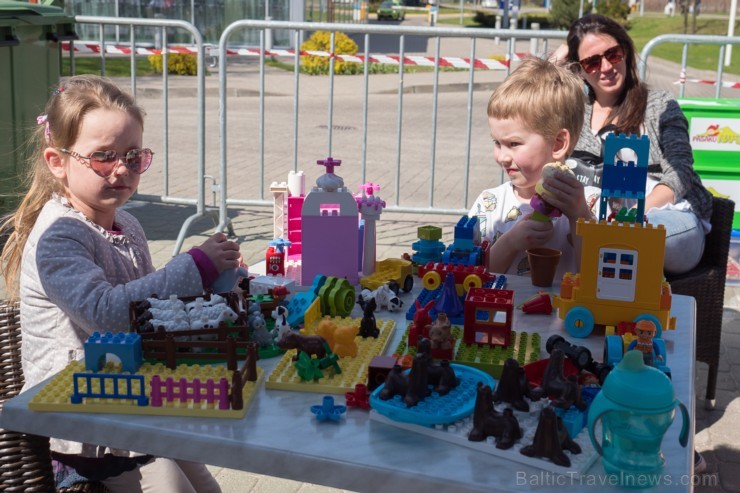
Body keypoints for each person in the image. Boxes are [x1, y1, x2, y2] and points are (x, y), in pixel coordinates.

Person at [0, 75, 236, 492]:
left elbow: (153, 308)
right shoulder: (60, 236)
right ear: (58, 162)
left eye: (133, 155)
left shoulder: (126, 224)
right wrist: (195, 264)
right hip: (82, 422)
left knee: (206, 485)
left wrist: (215, 291)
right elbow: (111, 315)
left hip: (130, 401)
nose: (122, 169)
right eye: (103, 157)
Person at [554, 14, 713, 276]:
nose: (605, 66)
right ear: (580, 70)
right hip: (596, 218)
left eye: (612, 54)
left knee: (638, 238)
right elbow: (528, 100)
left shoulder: (659, 105)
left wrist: (631, 217)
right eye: (592, 62)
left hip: (666, 212)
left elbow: (680, 172)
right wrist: (560, 58)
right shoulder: (574, 111)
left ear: (625, 52)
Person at [469, 57, 600, 279]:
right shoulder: (489, 204)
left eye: (513, 144)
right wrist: (510, 242)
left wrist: (579, 217)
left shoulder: (591, 204)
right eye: (497, 143)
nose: (502, 156)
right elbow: (472, 276)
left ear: (558, 143)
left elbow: (598, 277)